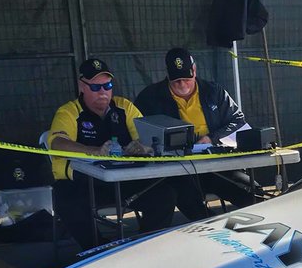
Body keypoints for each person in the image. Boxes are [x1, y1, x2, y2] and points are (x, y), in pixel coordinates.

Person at [47, 57, 176, 248]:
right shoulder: (69, 112)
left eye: (107, 85)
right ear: (82, 86)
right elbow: (57, 143)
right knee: (64, 197)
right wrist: (94, 151)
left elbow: (148, 136)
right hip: (86, 183)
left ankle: (143, 247)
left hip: (124, 180)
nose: (103, 92)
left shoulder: (125, 107)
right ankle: (99, 250)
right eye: (95, 87)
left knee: (165, 193)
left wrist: (142, 147)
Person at [135, 47, 262, 221]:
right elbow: (138, 131)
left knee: (251, 191)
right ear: (167, 75)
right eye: (176, 80)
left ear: (194, 70)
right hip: (176, 172)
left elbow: (238, 121)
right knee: (188, 200)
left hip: (216, 166)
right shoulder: (150, 97)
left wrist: (211, 138)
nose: (182, 84)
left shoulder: (213, 91)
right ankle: (217, 229)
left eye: (187, 79)